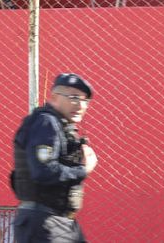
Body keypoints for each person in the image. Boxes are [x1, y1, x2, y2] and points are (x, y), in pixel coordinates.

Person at [11, 73, 97, 243]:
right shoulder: (46, 123)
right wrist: (83, 170)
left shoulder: (59, 125)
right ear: (55, 97)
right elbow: (43, 171)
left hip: (59, 222)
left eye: (84, 100)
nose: (80, 105)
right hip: (43, 223)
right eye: (73, 98)